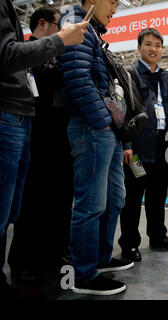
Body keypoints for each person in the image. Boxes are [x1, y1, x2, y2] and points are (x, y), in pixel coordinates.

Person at [0, 0, 87, 299]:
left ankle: (52, 255)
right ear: (43, 26)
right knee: (27, 205)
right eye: (58, 26)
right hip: (33, 135)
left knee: (58, 201)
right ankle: (23, 261)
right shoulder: (28, 54)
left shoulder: (58, 57)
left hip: (58, 139)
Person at [57, 0, 133, 296]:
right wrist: (102, 120)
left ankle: (99, 259)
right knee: (90, 204)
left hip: (106, 129)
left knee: (115, 198)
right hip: (92, 127)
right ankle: (82, 274)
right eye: (111, 1)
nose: (115, 7)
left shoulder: (91, 31)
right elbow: (77, 79)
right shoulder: (76, 25)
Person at [118, 28, 168, 262]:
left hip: (162, 148)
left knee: (158, 195)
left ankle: (158, 236)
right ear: (139, 48)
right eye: (148, 44)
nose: (153, 49)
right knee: (133, 196)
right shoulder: (130, 74)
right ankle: (129, 244)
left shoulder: (166, 77)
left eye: (157, 45)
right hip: (137, 150)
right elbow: (124, 111)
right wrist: (127, 143)